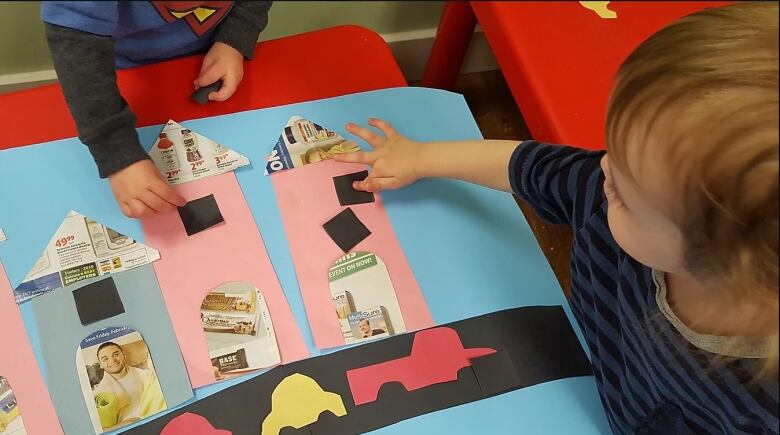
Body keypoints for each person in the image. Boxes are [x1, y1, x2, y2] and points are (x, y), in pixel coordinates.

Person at [335, 3, 779, 433]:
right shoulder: (609, 194)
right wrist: (423, 156)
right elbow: (533, 169)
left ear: (733, 268)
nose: (602, 169)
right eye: (612, 151)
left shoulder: (761, 401)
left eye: (625, 190)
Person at [41, 1, 272, 219]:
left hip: (211, 54)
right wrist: (117, 155)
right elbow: (76, 37)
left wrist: (234, 38)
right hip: (119, 74)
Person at [92, 342, 166, 428]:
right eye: (105, 359)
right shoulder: (99, 395)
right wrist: (122, 425)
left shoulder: (147, 376)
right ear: (101, 365)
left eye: (116, 354)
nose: (112, 360)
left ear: (124, 355)